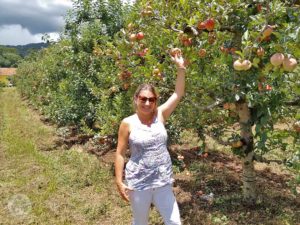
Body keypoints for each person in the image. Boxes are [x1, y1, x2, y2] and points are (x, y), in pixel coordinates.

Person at [114, 48, 186, 225]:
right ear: (136, 99)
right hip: (138, 182)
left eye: (151, 99)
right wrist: (119, 181)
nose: (147, 103)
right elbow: (120, 153)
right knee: (140, 222)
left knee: (174, 222)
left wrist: (181, 68)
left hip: (162, 180)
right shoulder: (128, 123)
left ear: (156, 101)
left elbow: (178, 94)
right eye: (143, 99)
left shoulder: (160, 115)